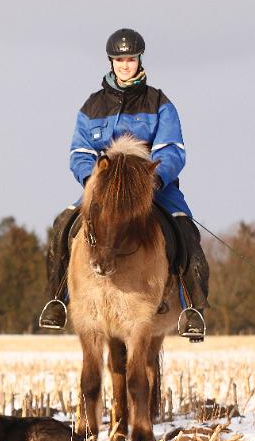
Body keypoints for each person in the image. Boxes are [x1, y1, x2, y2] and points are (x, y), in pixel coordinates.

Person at [38, 28, 209, 342]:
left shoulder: (159, 102)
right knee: (63, 225)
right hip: (104, 191)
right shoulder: (93, 106)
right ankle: (57, 299)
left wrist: (154, 179)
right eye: (119, 60)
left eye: (130, 59)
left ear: (139, 60)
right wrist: (93, 181)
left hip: (153, 188)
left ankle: (191, 308)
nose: (125, 65)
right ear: (111, 62)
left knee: (187, 234)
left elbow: (173, 149)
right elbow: (79, 151)